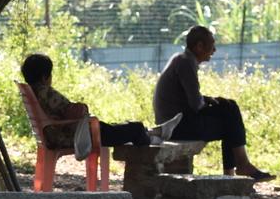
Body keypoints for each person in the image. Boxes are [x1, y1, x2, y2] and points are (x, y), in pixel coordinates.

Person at [153, 25, 275, 181]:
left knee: (228, 108)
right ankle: (238, 168)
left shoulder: (182, 59)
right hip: (175, 127)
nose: (214, 50)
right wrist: (209, 102)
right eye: (212, 45)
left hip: (178, 122)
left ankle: (233, 173)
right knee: (229, 116)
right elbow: (196, 104)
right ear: (199, 46)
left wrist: (209, 99)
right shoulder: (186, 63)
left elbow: (190, 98)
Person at [21, 53, 171, 150]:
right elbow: (71, 111)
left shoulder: (32, 92)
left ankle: (153, 132)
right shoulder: (45, 92)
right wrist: (81, 107)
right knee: (134, 128)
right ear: (44, 76)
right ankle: (151, 138)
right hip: (77, 135)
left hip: (65, 133)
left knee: (114, 127)